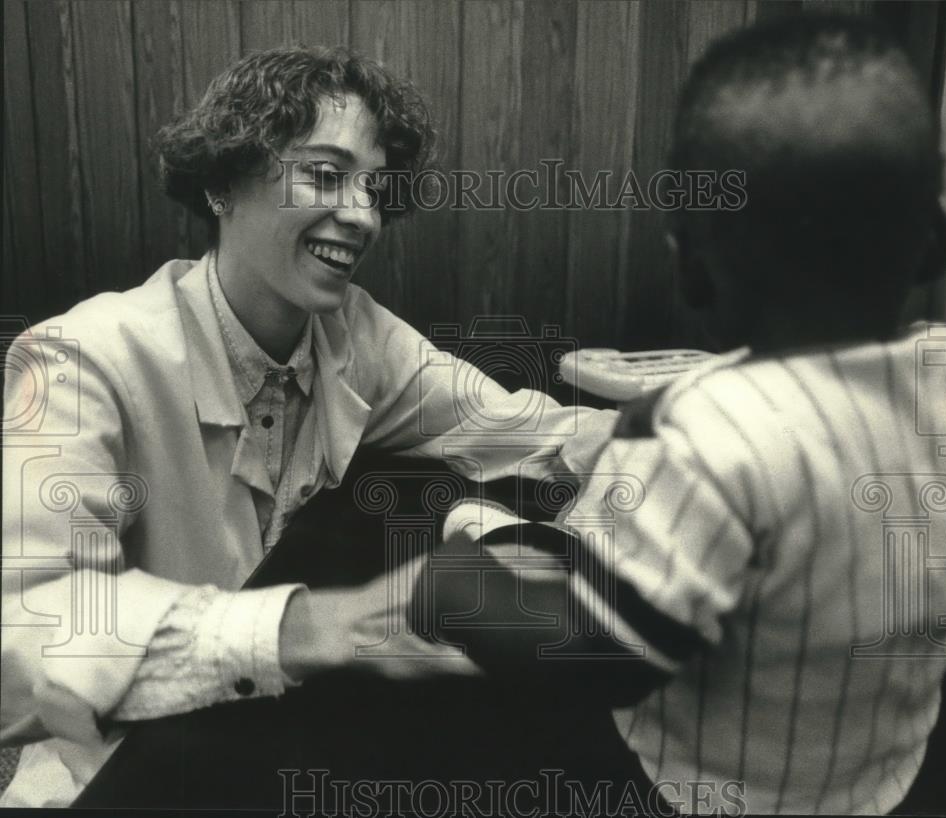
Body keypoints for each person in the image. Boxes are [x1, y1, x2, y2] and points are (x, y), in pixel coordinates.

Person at [0, 47, 615, 807]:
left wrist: (709, 425)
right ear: (223, 182)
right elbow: (15, 637)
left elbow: (525, 432)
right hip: (116, 773)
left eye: (374, 188)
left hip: (283, 748)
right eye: (325, 175)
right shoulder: (79, 358)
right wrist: (307, 628)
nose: (361, 215)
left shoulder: (356, 337)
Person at [428, 14, 946, 815]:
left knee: (514, 563)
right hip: (884, 770)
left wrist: (448, 586)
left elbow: (598, 665)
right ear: (936, 238)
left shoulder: (704, 434)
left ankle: (475, 538)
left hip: (712, 790)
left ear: (692, 274)